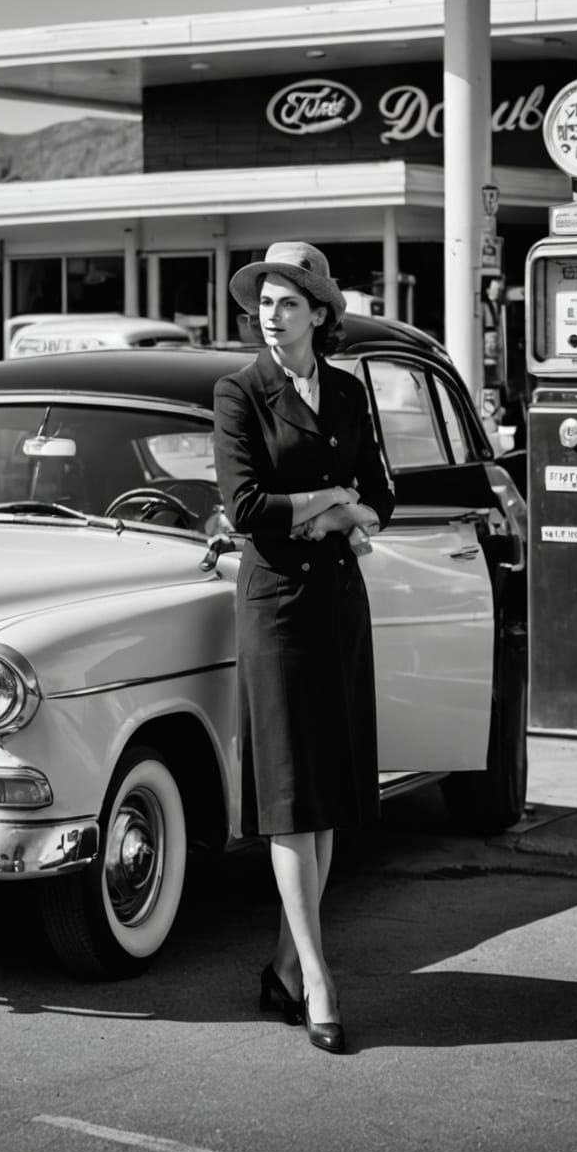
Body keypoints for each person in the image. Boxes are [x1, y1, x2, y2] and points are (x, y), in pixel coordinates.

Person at [212, 241, 395, 1055]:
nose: (272, 313)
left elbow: (383, 496)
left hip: (338, 605)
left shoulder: (352, 391)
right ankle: (319, 979)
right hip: (278, 606)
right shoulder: (239, 391)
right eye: (264, 300)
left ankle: (286, 966)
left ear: (320, 312)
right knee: (290, 796)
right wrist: (331, 501)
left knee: (329, 798)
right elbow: (247, 506)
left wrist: (346, 512)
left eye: (289, 300)